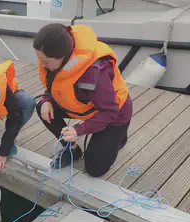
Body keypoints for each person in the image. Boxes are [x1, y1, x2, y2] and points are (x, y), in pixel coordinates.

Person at [33, 23, 133, 177]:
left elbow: (109, 111)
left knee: (94, 169)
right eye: (40, 59)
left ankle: (119, 136)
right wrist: (47, 99)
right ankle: (72, 149)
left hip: (114, 114)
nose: (42, 64)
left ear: (62, 57)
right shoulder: (55, 64)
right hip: (84, 106)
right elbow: (55, 83)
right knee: (42, 108)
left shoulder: (94, 73)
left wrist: (78, 130)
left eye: (45, 61)